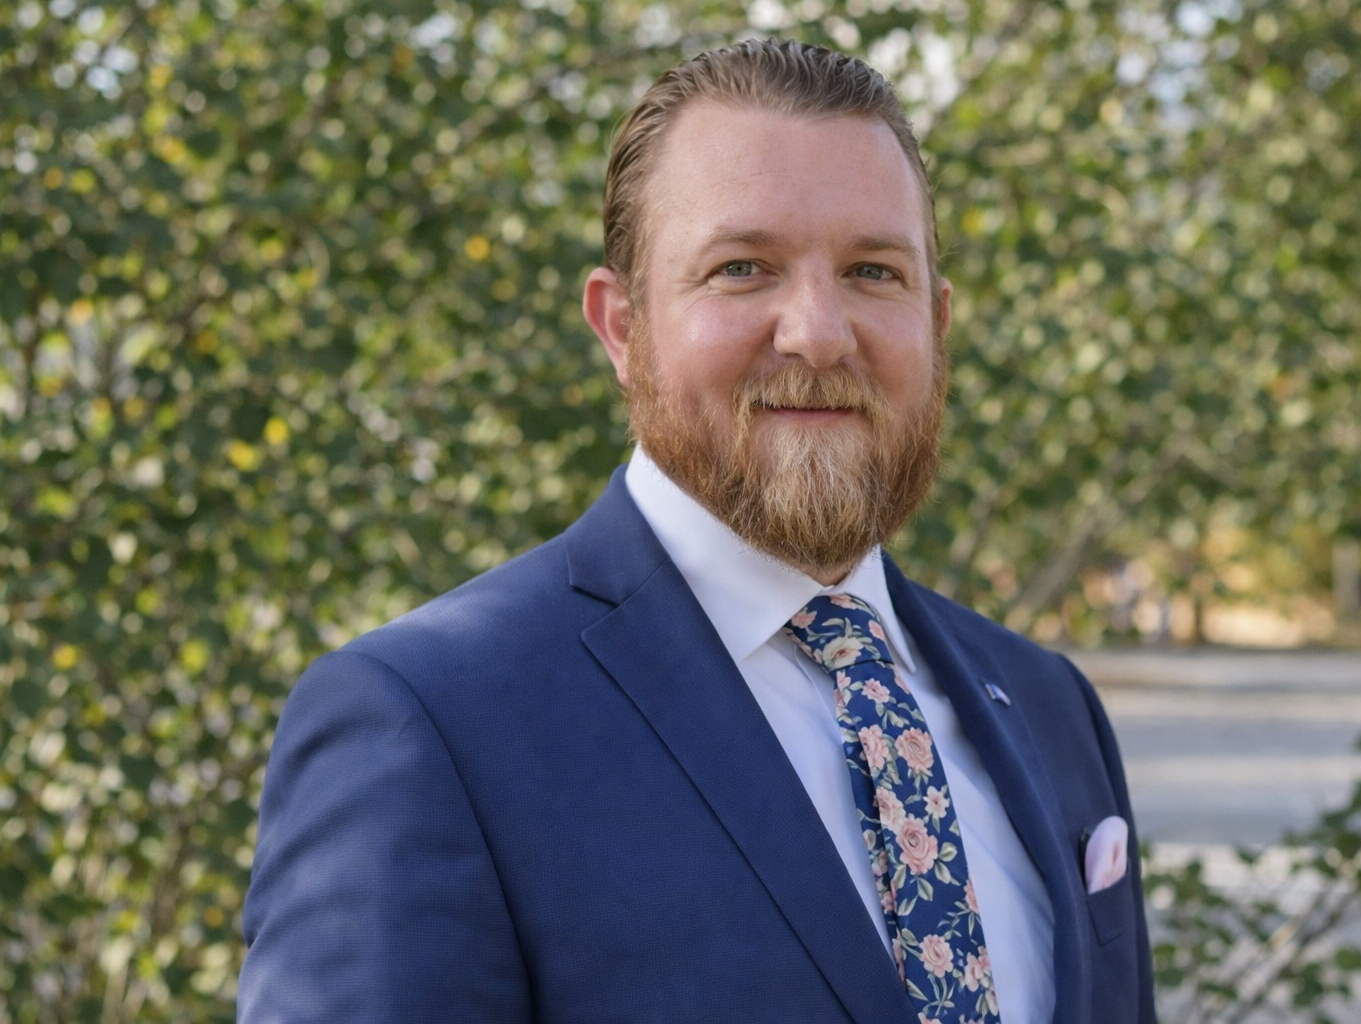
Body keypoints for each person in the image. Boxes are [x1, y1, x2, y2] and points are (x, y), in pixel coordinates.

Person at [237, 38, 1155, 1024]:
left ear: (937, 322)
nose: (818, 332)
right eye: (742, 268)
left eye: (872, 271)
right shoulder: (427, 724)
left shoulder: (1050, 707)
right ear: (621, 327)